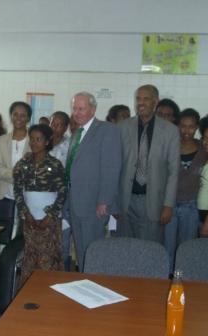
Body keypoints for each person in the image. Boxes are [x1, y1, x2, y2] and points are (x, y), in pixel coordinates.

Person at [65, 92, 121, 269]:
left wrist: (104, 201)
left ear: (93, 109)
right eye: (75, 108)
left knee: (93, 251)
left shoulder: (107, 130)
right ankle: (83, 282)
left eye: (81, 108)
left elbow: (111, 168)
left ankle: (93, 285)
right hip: (75, 202)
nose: (77, 112)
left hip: (94, 204)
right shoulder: (77, 133)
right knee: (81, 250)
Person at [117, 84, 180, 243]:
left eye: (146, 99)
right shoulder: (122, 128)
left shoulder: (170, 131)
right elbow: (115, 167)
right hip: (126, 200)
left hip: (153, 201)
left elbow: (174, 171)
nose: (141, 103)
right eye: (138, 99)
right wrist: (113, 202)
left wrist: (168, 205)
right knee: (124, 248)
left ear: (155, 102)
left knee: (150, 250)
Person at [13, 124, 66, 284]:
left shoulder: (55, 164)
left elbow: (63, 192)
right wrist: (26, 214)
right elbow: (17, 190)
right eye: (32, 139)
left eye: (39, 139)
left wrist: (50, 215)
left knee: (48, 258)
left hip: (49, 221)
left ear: (47, 141)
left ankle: (49, 297)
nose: (34, 143)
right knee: (30, 258)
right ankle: (26, 295)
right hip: (29, 220)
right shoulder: (23, 164)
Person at [164, 108, 207, 269]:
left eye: (191, 126)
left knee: (186, 247)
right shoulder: (171, 145)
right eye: (182, 126)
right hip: (170, 204)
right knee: (167, 247)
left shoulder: (204, 148)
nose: (186, 131)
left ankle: (185, 279)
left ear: (197, 127)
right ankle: (166, 280)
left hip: (192, 206)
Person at [0, 101, 32, 238]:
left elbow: (34, 170)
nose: (19, 118)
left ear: (28, 118)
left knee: (23, 237)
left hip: (28, 198)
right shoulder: (2, 140)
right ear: (11, 116)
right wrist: (15, 175)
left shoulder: (34, 140)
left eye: (23, 115)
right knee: (3, 236)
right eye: (15, 114)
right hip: (4, 195)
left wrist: (20, 176)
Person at [49, 111, 71, 269]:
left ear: (65, 127)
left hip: (62, 200)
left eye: (59, 125)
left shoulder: (70, 145)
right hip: (42, 200)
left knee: (62, 243)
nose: (55, 127)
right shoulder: (41, 142)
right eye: (53, 123)